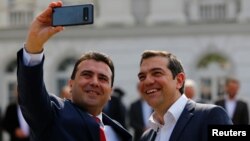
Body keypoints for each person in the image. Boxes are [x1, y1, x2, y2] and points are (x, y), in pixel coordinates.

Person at [16, 1, 132, 141]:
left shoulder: (119, 133)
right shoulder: (52, 115)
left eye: (102, 78)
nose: (94, 82)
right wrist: (34, 45)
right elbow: (31, 94)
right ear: (71, 84)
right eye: (87, 75)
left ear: (110, 92)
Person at [137, 50, 233, 141]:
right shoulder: (147, 137)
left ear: (179, 80)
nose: (147, 81)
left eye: (157, 73)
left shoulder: (211, 116)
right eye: (142, 77)